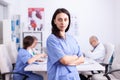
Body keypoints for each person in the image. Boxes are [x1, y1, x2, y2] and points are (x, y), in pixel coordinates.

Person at [46, 8, 84, 80]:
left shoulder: (72, 38)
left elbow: (82, 59)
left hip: (74, 76)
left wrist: (69, 62)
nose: (63, 22)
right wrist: (75, 57)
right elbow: (64, 60)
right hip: (59, 77)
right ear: (54, 21)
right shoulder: (52, 39)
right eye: (60, 19)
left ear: (69, 21)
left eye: (65, 19)